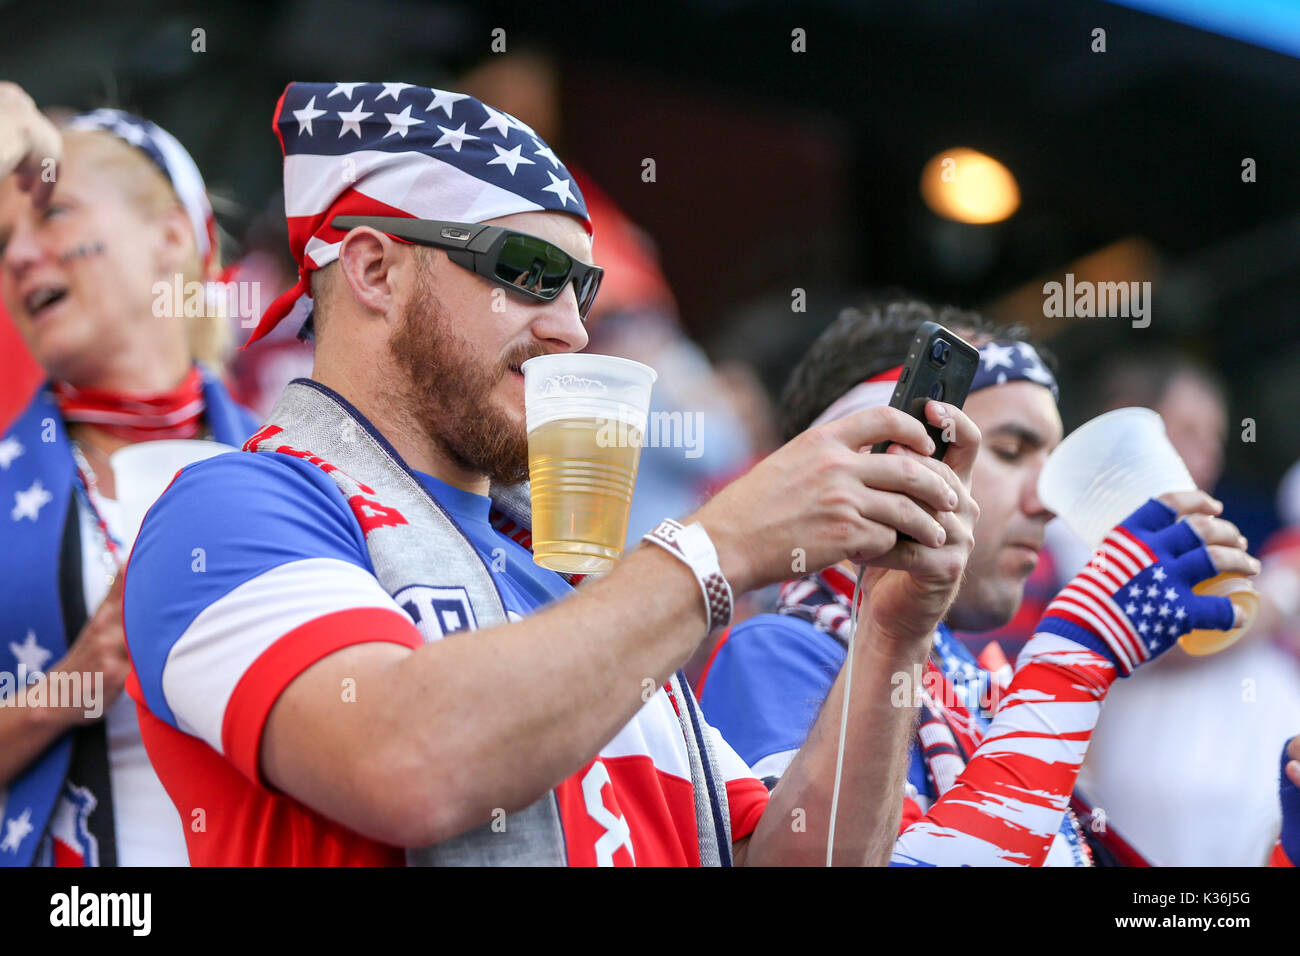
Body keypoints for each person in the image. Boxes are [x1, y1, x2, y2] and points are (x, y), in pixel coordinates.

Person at [120, 81, 982, 866]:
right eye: (529, 274)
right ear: (375, 268)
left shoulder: (582, 586)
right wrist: (715, 549)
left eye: (584, 290)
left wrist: (888, 635)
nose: (573, 329)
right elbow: (407, 764)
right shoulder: (234, 508)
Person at [698, 299, 1257, 866]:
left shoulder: (980, 684)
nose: (1047, 504)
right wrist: (1076, 656)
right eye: (1011, 452)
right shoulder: (774, 650)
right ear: (886, 461)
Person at [0, 82, 260, 866]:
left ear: (170, 237)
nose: (15, 256)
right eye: (2, 238)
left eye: (52, 214)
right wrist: (79, 679)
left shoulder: (294, 469)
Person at [1069, 349, 1300, 865]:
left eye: (1216, 438)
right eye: (1191, 431)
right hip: (1175, 824)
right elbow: (1171, 628)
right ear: (1128, 425)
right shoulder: (1084, 518)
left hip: (1244, 817)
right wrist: (1283, 595)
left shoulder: (1189, 534)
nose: (1211, 455)